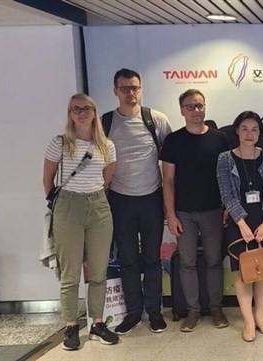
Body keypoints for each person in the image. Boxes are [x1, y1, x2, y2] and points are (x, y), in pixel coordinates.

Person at [42, 93, 119, 350]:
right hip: (68, 207)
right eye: (76, 109)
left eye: (87, 108)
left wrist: (93, 198)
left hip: (98, 206)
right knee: (70, 272)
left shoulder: (106, 145)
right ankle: (71, 326)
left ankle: (97, 322)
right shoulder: (60, 143)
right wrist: (64, 204)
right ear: (70, 114)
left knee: (98, 270)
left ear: (95, 112)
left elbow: (107, 179)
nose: (82, 113)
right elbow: (47, 180)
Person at [103, 68, 172, 334]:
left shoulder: (156, 119)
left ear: (141, 88)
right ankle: (133, 312)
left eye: (134, 88)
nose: (130, 93)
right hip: (120, 200)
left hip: (152, 198)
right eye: (125, 89)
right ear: (115, 91)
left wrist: (169, 203)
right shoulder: (106, 122)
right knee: (129, 260)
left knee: (153, 259)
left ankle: (154, 312)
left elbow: (170, 162)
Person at [160, 89, 230, 332]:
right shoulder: (173, 141)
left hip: (213, 210)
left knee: (214, 262)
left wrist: (227, 208)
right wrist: (170, 214)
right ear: (182, 110)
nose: (196, 111)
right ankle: (192, 311)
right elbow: (167, 180)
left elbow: (228, 179)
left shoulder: (220, 140)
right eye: (191, 107)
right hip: (183, 213)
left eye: (200, 106)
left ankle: (216, 308)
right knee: (187, 262)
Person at [217, 111, 263, 342]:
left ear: (260, 133)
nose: (249, 133)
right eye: (245, 128)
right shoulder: (225, 159)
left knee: (262, 271)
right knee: (244, 273)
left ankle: (260, 316)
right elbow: (226, 194)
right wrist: (241, 223)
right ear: (237, 131)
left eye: (254, 129)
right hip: (238, 222)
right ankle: (249, 322)